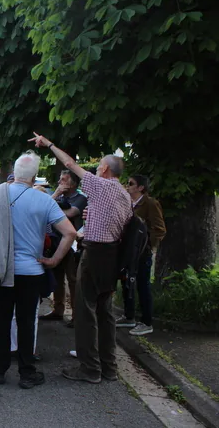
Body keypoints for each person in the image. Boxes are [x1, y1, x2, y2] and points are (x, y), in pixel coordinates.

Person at [0, 151, 76, 389]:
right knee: (26, 321)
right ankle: (27, 372)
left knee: (2, 320)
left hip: (0, 268)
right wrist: (54, 260)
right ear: (35, 176)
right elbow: (70, 233)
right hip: (32, 272)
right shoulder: (44, 199)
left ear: (14, 172)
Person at [29, 132, 132, 384]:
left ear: (105, 169)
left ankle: (89, 368)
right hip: (113, 256)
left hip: (95, 253)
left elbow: (70, 163)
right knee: (105, 311)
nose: (95, 171)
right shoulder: (125, 195)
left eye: (97, 167)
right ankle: (109, 367)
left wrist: (49, 143)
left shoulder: (102, 185)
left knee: (85, 311)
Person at [117, 175, 166, 336]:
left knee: (142, 285)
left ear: (141, 188)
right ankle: (128, 316)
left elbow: (159, 229)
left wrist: (147, 246)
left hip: (141, 252)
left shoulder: (150, 204)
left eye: (131, 184)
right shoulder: (128, 203)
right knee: (126, 282)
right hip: (128, 250)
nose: (127, 186)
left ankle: (146, 322)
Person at [40, 170, 87, 328]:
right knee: (57, 278)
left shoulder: (80, 198)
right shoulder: (58, 197)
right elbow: (44, 209)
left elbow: (71, 213)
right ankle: (58, 309)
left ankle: (76, 315)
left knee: (73, 280)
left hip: (73, 245)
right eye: (59, 179)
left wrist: (54, 212)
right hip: (56, 242)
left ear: (73, 183)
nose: (60, 182)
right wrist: (55, 195)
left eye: (63, 180)